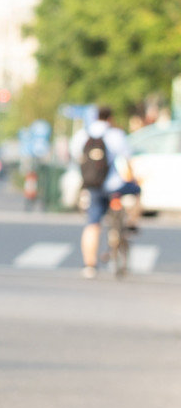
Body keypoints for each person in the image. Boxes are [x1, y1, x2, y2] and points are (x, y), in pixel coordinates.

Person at [74, 104, 139, 278]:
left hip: (93, 185)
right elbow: (127, 159)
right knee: (137, 191)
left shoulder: (83, 134)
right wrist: (132, 179)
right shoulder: (116, 134)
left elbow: (76, 157)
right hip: (114, 186)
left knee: (93, 223)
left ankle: (89, 266)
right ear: (110, 118)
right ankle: (132, 224)